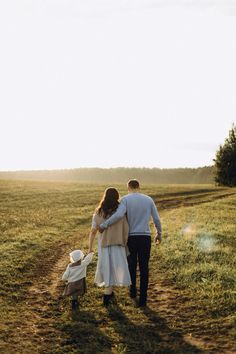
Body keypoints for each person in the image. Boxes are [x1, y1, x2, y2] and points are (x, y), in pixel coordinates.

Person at [99, 179, 162, 307]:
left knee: (132, 265)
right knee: (144, 267)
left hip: (131, 238)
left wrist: (104, 224)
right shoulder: (148, 199)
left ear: (128, 188)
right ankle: (143, 298)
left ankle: (132, 292)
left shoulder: (125, 200)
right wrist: (159, 233)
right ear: (139, 187)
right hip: (145, 237)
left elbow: (118, 215)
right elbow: (156, 218)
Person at [88, 187, 131, 306]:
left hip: (104, 245)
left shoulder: (98, 212)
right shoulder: (121, 211)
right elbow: (127, 226)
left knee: (106, 268)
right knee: (115, 268)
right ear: (117, 197)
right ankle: (108, 295)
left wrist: (90, 247)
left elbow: (93, 231)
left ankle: (108, 294)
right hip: (118, 243)